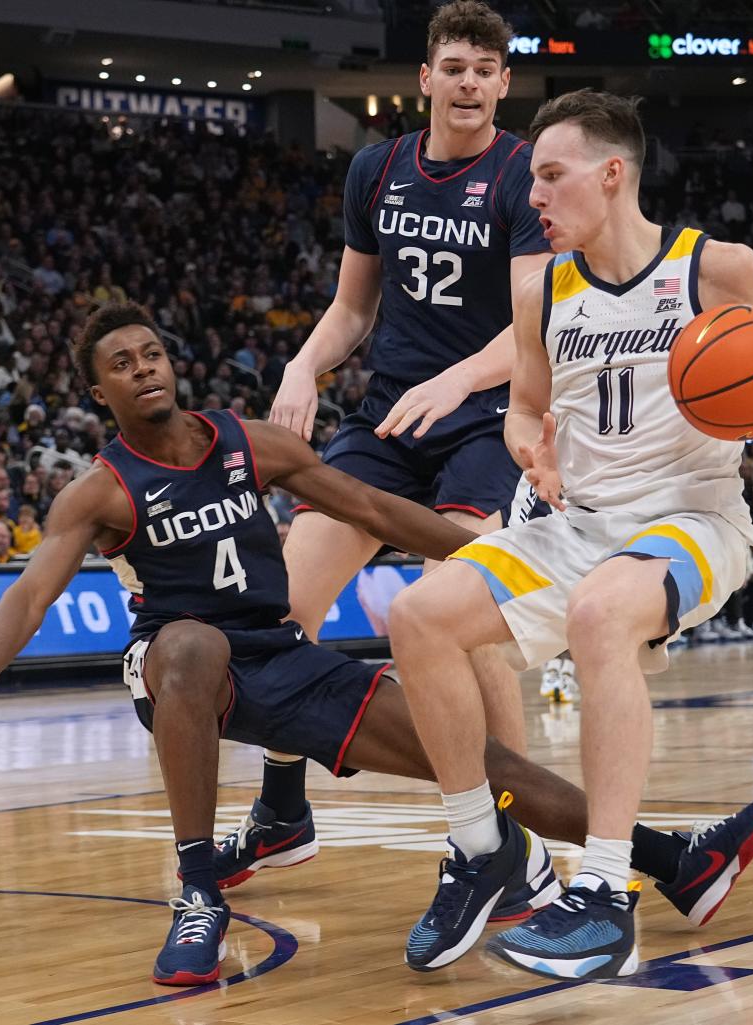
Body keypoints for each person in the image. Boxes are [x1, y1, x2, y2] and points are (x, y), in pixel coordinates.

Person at [0, 303, 753, 986]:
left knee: (478, 764)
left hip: (284, 659)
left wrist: (499, 559)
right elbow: (34, 589)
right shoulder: (100, 490)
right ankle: (197, 887)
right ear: (99, 394)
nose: (143, 368)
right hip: (178, 669)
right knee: (190, 646)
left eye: (151, 353)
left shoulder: (248, 443)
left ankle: (678, 861)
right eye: (122, 363)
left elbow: (372, 511)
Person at [387, 90, 753, 978]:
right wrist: (534, 451)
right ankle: (485, 850)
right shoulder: (542, 291)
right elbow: (520, 411)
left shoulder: (721, 267)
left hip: (693, 521)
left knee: (599, 615)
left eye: (551, 176)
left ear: (613, 173)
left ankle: (602, 892)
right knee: (419, 615)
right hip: (580, 523)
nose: (536, 197)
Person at [228, 0, 553, 880]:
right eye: (455, 67)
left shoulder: (526, 174)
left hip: (485, 421)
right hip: (387, 421)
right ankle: (282, 806)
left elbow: (533, 323)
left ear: (503, 83)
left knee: (466, 620)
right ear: (425, 78)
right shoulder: (377, 169)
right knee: (276, 610)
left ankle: (512, 834)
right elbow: (353, 308)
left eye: (485, 70)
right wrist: (303, 367)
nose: (470, 83)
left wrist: (458, 379)